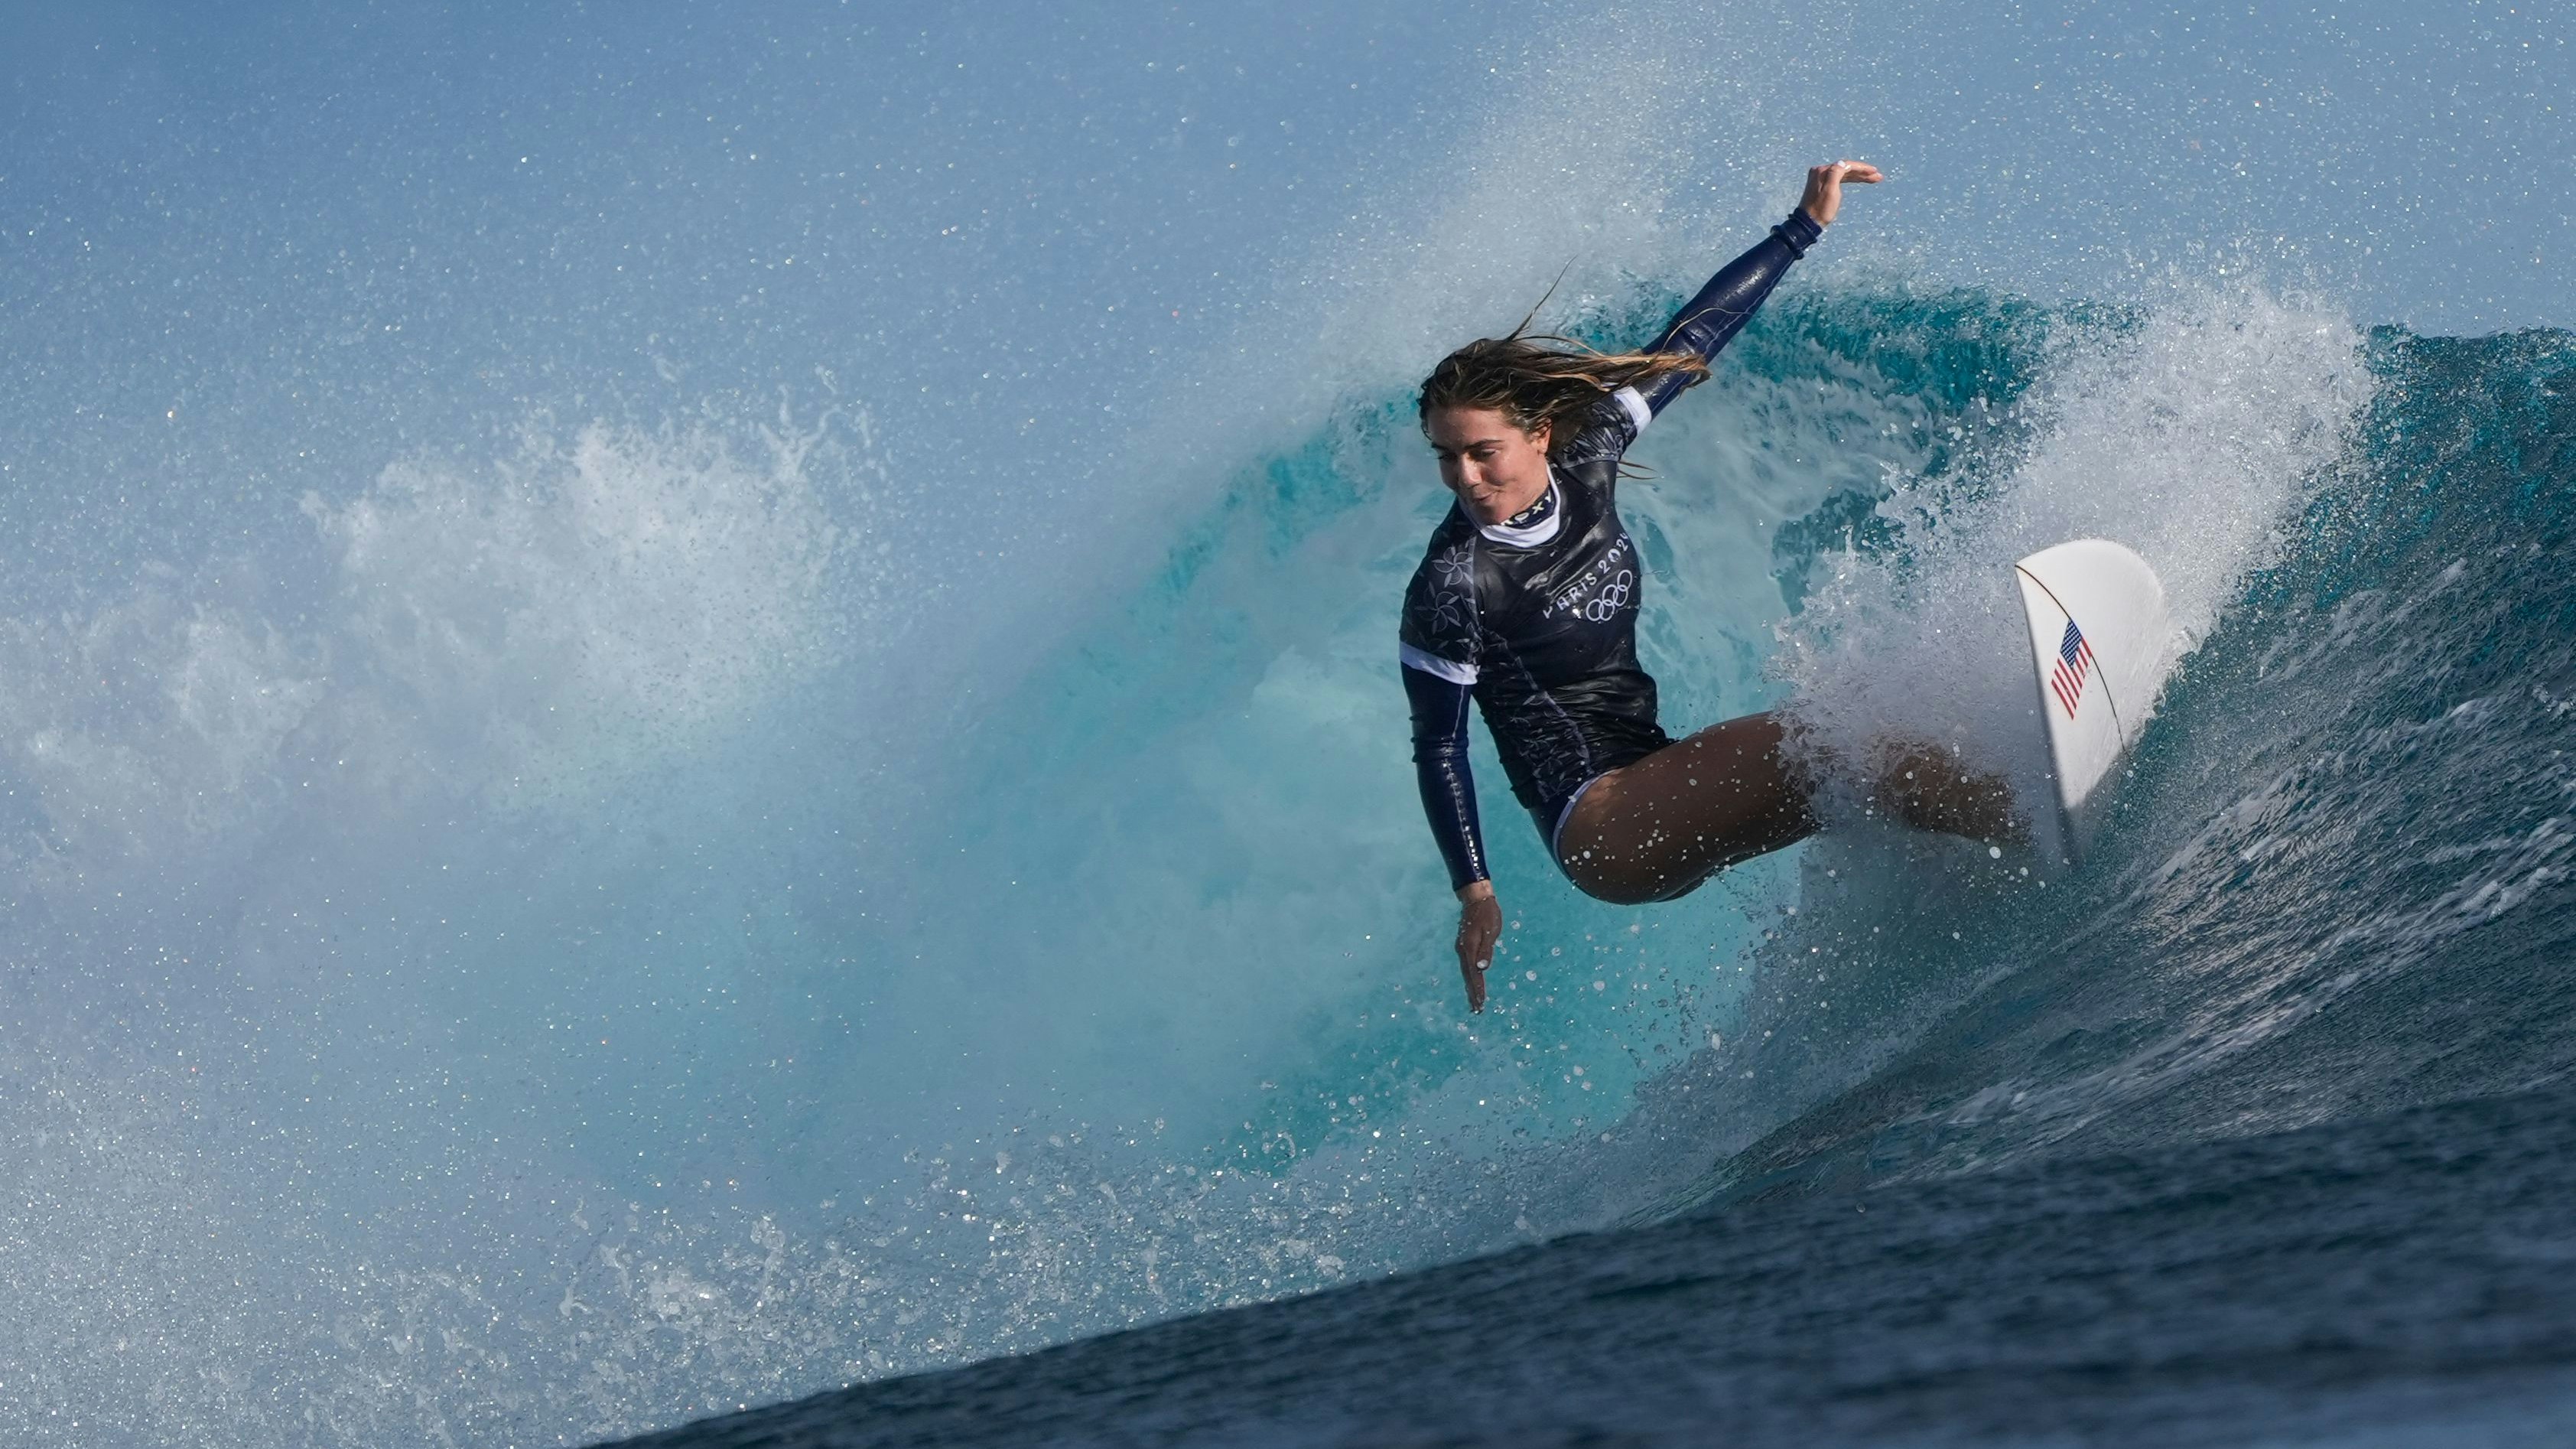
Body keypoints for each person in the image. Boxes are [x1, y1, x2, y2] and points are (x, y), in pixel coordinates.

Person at [1400, 161, 2013, 1012]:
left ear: (1539, 434)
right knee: (1836, 737)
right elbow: (1439, 746)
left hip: (1649, 779)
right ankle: (2032, 833)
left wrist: (1803, 225)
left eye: (1480, 451)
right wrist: (1475, 892)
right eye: (1445, 456)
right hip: (1601, 824)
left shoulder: (1588, 456)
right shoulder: (1452, 582)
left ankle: (1992, 877)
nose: (1463, 476)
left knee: (1866, 776)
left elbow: (1689, 341)